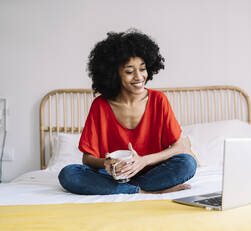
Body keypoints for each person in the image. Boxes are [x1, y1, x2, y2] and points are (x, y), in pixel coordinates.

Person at [58, 30, 197, 195]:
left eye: (143, 69)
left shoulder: (159, 100)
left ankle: (125, 190)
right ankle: (144, 191)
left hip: (152, 171)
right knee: (68, 174)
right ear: (114, 74)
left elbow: (179, 146)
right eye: (130, 71)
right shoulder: (100, 105)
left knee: (187, 163)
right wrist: (107, 164)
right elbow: (87, 159)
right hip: (113, 175)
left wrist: (143, 161)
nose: (139, 77)